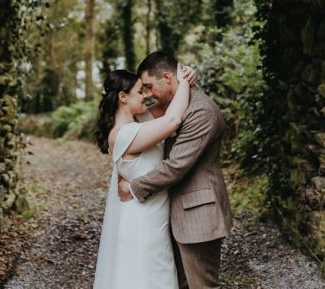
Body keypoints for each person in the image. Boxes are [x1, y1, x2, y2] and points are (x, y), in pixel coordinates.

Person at [118, 50, 233, 289]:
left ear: (168, 78)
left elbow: (176, 166)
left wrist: (134, 187)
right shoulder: (175, 106)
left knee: (202, 286)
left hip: (198, 215)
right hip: (174, 212)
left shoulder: (201, 111)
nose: (148, 94)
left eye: (149, 86)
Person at [93, 63, 196, 289]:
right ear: (123, 97)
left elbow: (169, 105)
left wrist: (184, 75)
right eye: (140, 91)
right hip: (142, 223)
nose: (146, 95)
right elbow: (173, 120)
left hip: (152, 216)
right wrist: (186, 82)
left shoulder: (141, 121)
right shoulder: (124, 134)